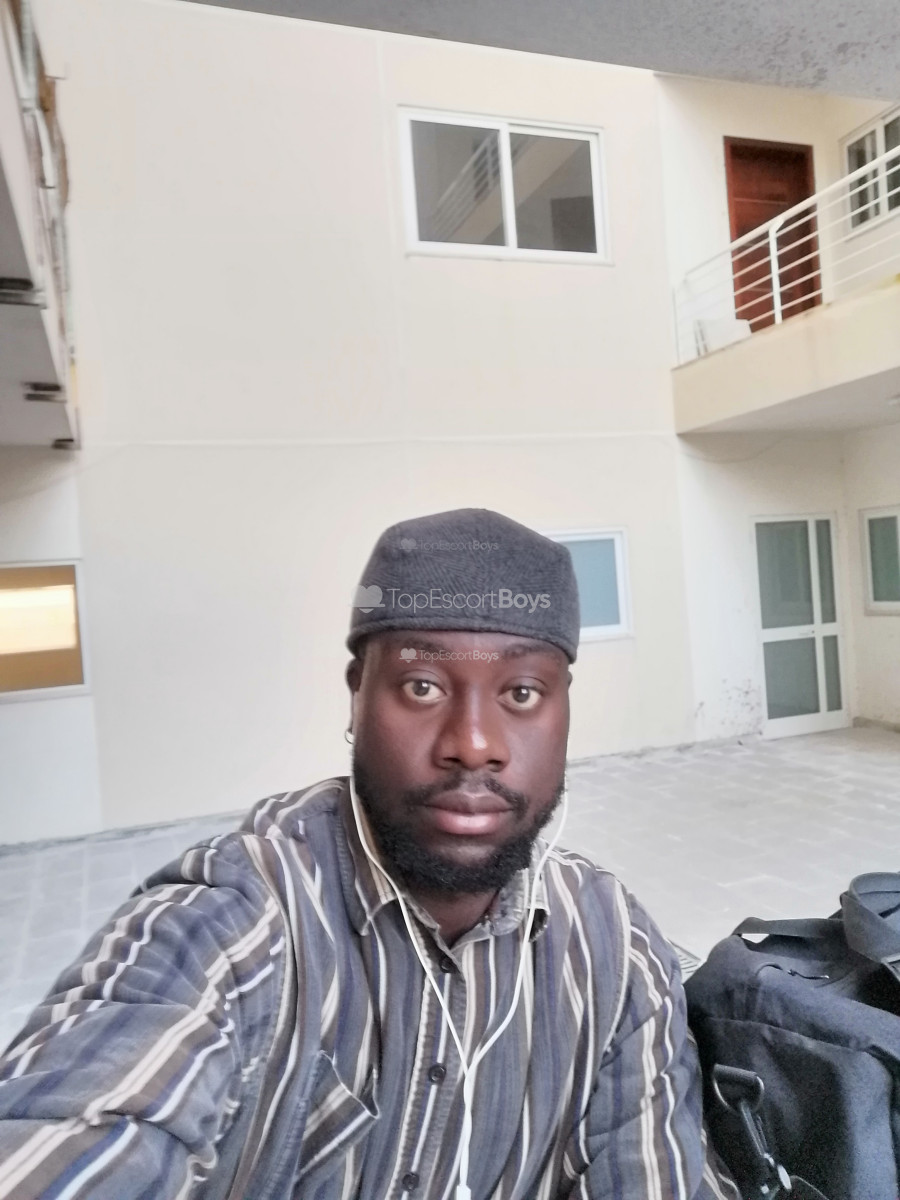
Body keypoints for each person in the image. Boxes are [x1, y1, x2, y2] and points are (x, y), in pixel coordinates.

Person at [0, 508, 734, 1200]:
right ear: (357, 695)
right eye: (422, 686)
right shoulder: (234, 923)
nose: (473, 744)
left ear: (565, 707)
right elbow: (84, 1120)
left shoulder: (615, 952)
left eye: (520, 693)